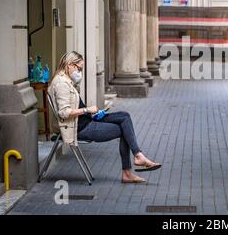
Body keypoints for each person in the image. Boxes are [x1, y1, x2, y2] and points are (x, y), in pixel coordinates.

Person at [48, 51, 161, 183]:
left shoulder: (66, 81)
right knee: (125, 129)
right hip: (80, 127)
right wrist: (86, 110)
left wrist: (92, 113)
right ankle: (131, 167)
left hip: (86, 120)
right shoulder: (61, 84)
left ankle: (137, 158)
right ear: (69, 65)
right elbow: (64, 112)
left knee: (125, 116)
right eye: (79, 68)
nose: (80, 72)